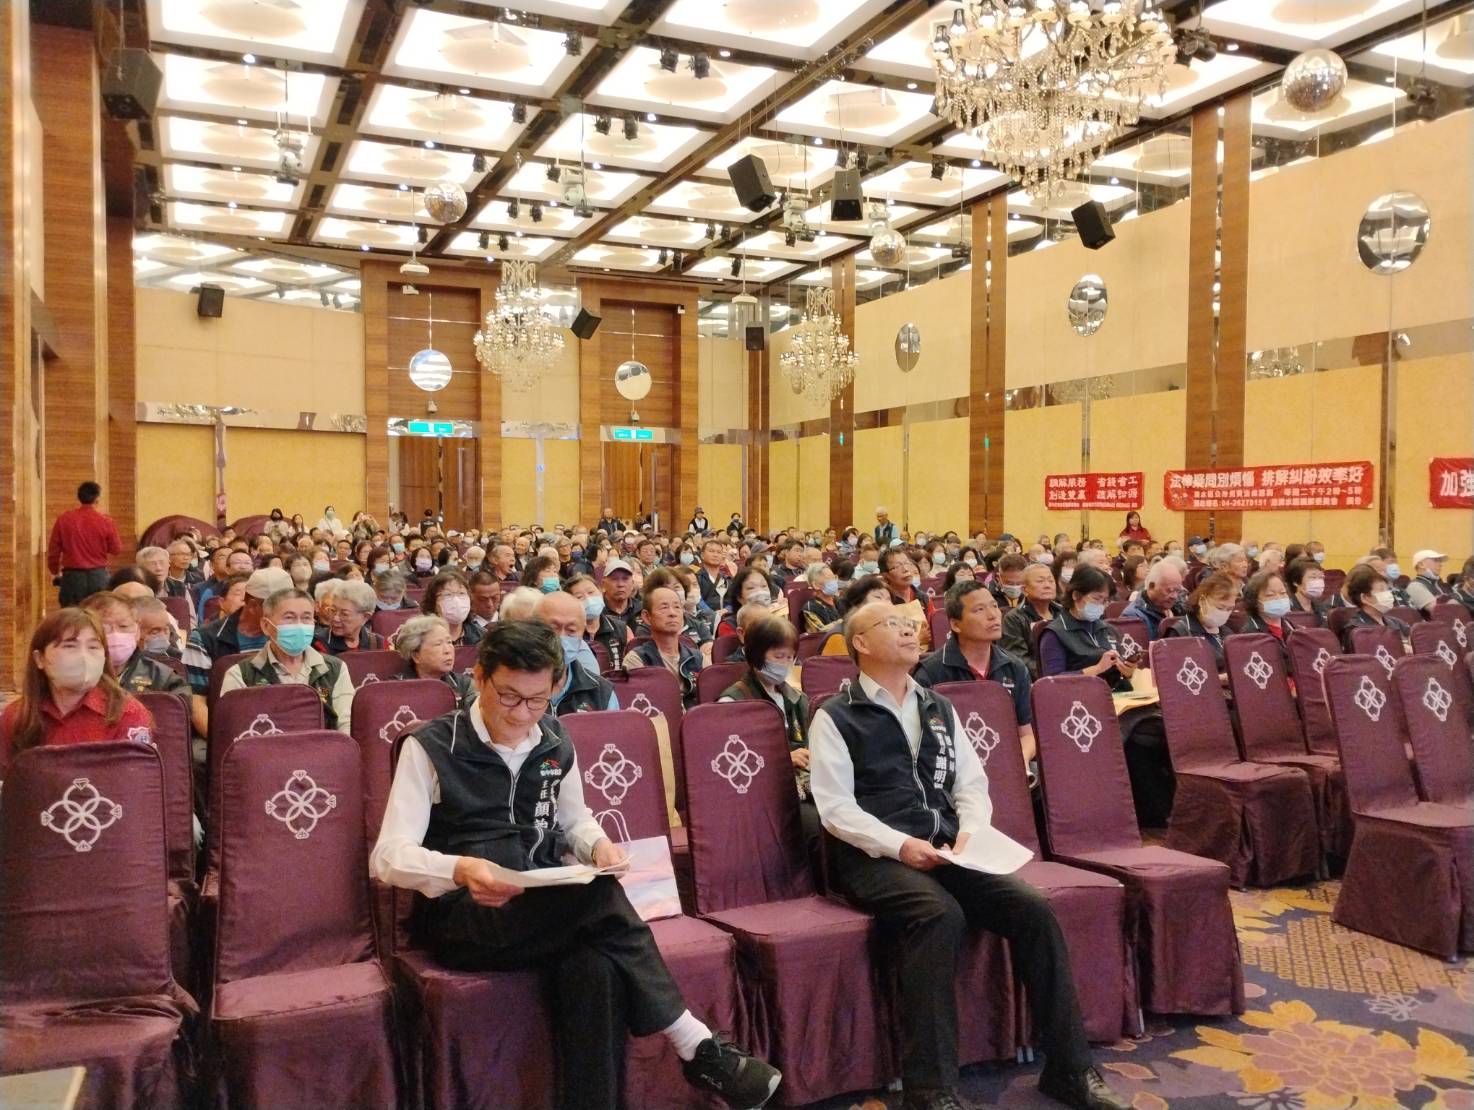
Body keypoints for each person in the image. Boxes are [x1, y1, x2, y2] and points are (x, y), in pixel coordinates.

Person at [370, 621, 779, 1110]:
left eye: (537, 700)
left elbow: (574, 819)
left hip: (545, 905)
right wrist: (459, 869)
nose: (522, 714)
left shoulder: (553, 739)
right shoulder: (434, 745)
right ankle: (694, 1043)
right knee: (596, 897)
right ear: (478, 677)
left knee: (597, 967)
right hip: (465, 915)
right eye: (508, 697)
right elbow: (388, 856)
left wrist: (598, 846)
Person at [809, 604, 1126, 1110]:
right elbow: (835, 808)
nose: (909, 630)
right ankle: (930, 1089)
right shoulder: (837, 714)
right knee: (938, 914)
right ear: (861, 643)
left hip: (946, 848)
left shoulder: (937, 706)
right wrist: (900, 845)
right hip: (873, 856)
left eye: (909, 624)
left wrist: (971, 833)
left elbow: (971, 784)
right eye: (892, 625)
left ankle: (1070, 1068)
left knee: (1033, 909)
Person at [0, 608, 156, 775]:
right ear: (40, 659)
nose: (83, 656)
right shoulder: (16, 716)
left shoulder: (127, 713)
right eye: (69, 646)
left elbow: (134, 783)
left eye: (93, 647)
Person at [913, 581, 1037, 766]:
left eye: (994, 606)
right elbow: (926, 744)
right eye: (979, 610)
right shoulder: (930, 673)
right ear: (956, 624)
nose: (993, 615)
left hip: (1007, 764)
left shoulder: (1014, 667)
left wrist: (1021, 761)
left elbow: (1026, 734)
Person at [717, 615, 817, 845]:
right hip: (765, 792)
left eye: (790, 657)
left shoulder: (797, 698)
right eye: (778, 656)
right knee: (818, 826)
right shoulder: (733, 702)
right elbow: (730, 764)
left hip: (807, 784)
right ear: (756, 654)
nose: (785, 664)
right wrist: (783, 759)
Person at [219, 587, 355, 733]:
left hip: (324, 746)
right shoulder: (241, 675)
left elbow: (347, 725)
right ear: (266, 626)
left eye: (306, 618)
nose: (299, 625)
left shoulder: (335, 669)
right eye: (289, 618)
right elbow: (234, 732)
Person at [81, 593, 198, 728]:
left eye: (123, 626)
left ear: (137, 632)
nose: (115, 634)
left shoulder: (163, 678)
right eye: (104, 628)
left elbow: (174, 728)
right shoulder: (70, 679)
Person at [183, 567, 293, 696]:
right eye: (277, 608)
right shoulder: (204, 638)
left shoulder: (292, 634)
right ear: (253, 606)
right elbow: (197, 699)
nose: (287, 615)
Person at [533, 591, 618, 715]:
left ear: (583, 632)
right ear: (533, 627)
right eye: (553, 628)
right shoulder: (516, 684)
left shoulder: (600, 692)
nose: (561, 637)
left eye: (571, 630)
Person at [47, 480, 123, 606]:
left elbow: (53, 551)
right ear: (97, 498)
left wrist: (54, 571)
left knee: (72, 614)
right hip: (98, 577)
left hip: (72, 577)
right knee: (100, 613)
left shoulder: (64, 519)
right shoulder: (106, 521)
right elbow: (116, 549)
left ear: (79, 497)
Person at [627, 584, 703, 707]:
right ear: (646, 616)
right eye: (664, 608)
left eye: (677, 607)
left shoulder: (698, 658)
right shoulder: (637, 659)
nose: (672, 613)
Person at [394, 614, 475, 708]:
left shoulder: (465, 685)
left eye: (449, 642)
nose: (447, 650)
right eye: (438, 644)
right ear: (416, 656)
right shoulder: (395, 687)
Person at [1164, 573, 1240, 671]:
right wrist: (1220, 678)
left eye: (1229, 609)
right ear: (1203, 601)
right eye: (1220, 608)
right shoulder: (1181, 632)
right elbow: (1175, 673)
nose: (1224, 613)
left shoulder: (1227, 632)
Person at [1000, 564, 1063, 673]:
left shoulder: (1064, 612)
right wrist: (1052, 674)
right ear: (1024, 589)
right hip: (1037, 677)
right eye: (1040, 581)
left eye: (1051, 581)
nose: (1047, 585)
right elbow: (1019, 659)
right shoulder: (1014, 618)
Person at [566, 573, 629, 670]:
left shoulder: (621, 628)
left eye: (591, 592)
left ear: (600, 592)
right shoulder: (568, 633)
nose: (588, 599)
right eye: (579, 597)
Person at [1339, 564, 1410, 650]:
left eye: (1387, 590)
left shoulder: (1397, 623)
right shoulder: (1355, 629)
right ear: (1365, 598)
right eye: (1381, 590)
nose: (1388, 594)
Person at [316, 579, 387, 654]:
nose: (336, 618)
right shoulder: (318, 643)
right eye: (333, 610)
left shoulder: (378, 644)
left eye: (344, 614)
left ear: (366, 617)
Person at [1120, 560, 1184, 641]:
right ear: (1151, 586)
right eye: (1169, 590)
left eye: (1178, 591)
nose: (1174, 596)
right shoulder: (1133, 617)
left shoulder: (1179, 609)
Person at [423, 569, 484, 648]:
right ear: (433, 602)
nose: (456, 600)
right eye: (448, 595)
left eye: (461, 593)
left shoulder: (481, 636)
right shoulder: (422, 638)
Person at [1241, 570, 1293, 640]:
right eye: (1270, 595)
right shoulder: (1250, 634)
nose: (1279, 598)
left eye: (1283, 593)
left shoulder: (1291, 626)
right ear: (1255, 601)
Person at [1404, 549, 1450, 613]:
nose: (1440, 564)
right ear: (1421, 565)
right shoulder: (1415, 586)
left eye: (1440, 561)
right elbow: (1439, 611)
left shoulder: (1440, 585)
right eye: (1436, 560)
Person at [1284, 557, 1327, 622]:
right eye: (1313, 577)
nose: (1318, 582)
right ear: (1296, 582)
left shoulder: (1322, 608)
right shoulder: (1287, 608)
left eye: (1321, 577)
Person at [801, 562, 841, 631]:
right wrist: (840, 623)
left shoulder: (839, 600)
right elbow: (820, 631)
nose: (834, 581)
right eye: (829, 578)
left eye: (834, 577)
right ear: (816, 585)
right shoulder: (810, 608)